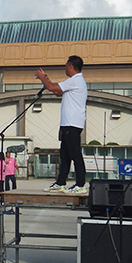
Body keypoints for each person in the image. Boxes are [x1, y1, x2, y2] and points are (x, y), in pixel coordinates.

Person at [36, 55, 88, 194]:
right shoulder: (75, 82)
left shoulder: (75, 81)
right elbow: (58, 92)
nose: (65, 68)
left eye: (66, 66)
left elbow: (52, 88)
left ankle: (80, 184)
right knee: (65, 155)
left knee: (75, 154)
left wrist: (42, 78)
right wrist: (46, 80)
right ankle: (60, 182)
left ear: (70, 66)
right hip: (68, 124)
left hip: (72, 124)